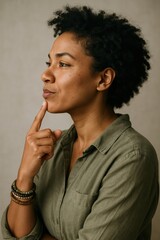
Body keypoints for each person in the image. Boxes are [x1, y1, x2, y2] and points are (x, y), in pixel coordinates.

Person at [1, 5, 159, 240]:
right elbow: (14, 235)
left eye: (63, 64)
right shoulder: (53, 147)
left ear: (103, 79)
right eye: (49, 63)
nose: (46, 75)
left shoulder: (133, 156)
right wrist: (24, 177)